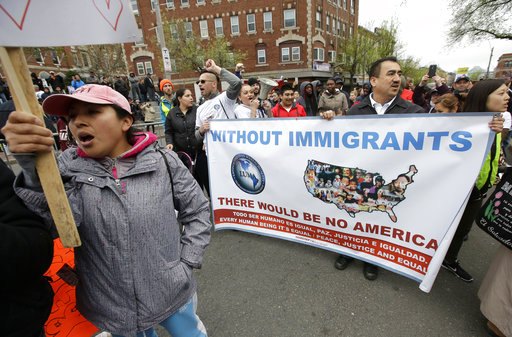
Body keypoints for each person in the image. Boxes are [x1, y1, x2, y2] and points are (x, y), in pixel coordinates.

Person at [2, 84, 212, 337]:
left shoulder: (163, 162)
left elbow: (198, 211)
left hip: (171, 290)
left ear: (125, 121)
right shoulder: (63, 171)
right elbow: (55, 226)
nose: (78, 122)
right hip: (111, 304)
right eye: (71, 116)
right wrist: (35, 175)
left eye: (91, 112)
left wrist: (186, 263)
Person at [333, 56, 424, 281]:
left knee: (376, 218)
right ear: (373, 80)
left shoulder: (414, 113)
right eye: (391, 73)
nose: (397, 78)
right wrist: (329, 121)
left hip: (385, 181)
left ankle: (371, 259)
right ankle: (347, 251)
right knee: (354, 214)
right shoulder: (356, 111)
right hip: (359, 180)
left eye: (399, 74)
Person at [442, 79, 507, 282]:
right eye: (501, 93)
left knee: (462, 231)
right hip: (459, 191)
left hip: (478, 191)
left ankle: (449, 259)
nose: (507, 97)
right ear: (483, 97)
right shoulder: (462, 125)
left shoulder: (496, 124)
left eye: (507, 93)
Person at [1, 159, 54, 337]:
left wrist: (32, 168)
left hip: (20, 323)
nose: (79, 128)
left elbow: (37, 242)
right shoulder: (69, 163)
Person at [195, 59, 242, 196]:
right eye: (199, 82)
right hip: (212, 160)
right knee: (216, 195)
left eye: (203, 81)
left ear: (214, 84)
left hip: (230, 156)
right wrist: (202, 130)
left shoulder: (224, 99)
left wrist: (215, 68)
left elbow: (236, 83)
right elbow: (195, 137)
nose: (199, 84)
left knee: (234, 192)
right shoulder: (200, 109)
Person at [165, 88, 201, 175]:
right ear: (179, 98)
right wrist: (169, 143)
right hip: (181, 156)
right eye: (187, 96)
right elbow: (169, 132)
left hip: (198, 153)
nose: (191, 98)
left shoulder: (198, 110)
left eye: (191, 95)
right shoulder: (172, 113)